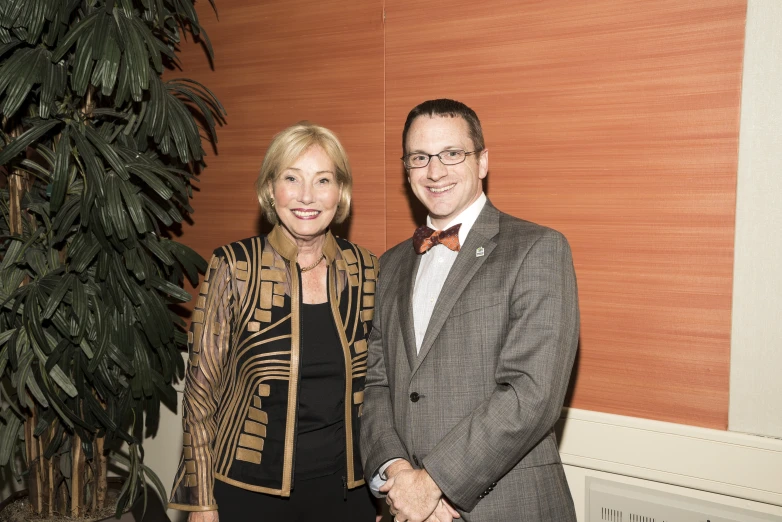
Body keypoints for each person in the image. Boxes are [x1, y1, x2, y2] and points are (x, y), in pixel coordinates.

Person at [360, 99, 579, 522]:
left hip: (508, 505)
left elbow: (532, 393)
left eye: (452, 154)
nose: (435, 171)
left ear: (482, 162)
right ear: (407, 170)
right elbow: (375, 382)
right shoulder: (388, 266)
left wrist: (434, 482)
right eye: (419, 157)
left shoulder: (538, 249)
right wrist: (398, 474)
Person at [169, 122, 379, 522]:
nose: (306, 196)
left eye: (323, 180)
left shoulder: (366, 269)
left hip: (347, 493)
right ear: (270, 190)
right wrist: (201, 501)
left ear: (341, 193)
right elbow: (200, 394)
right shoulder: (234, 267)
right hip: (248, 491)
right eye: (291, 178)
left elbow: (381, 389)